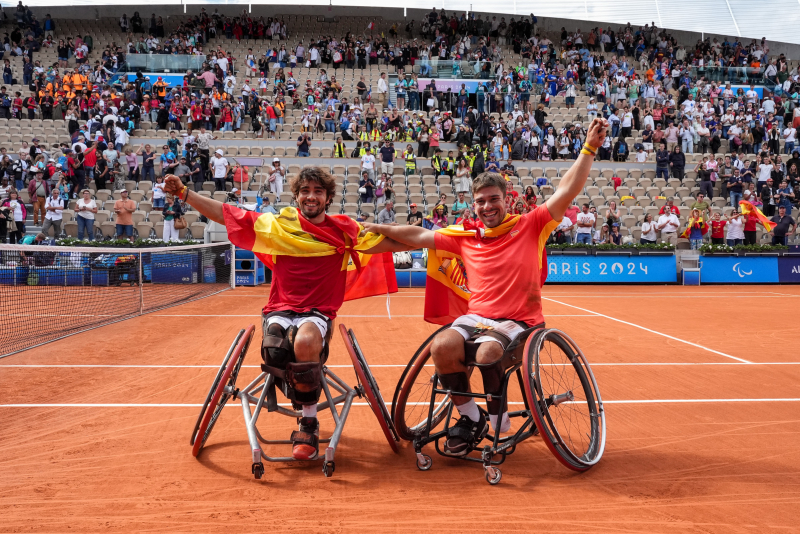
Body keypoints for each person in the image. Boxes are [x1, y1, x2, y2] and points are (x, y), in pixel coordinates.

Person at [363, 118, 610, 456]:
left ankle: (498, 420)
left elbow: (567, 189)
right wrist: (373, 228)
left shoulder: (531, 225)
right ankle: (470, 418)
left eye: (493, 199)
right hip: (477, 317)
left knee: (488, 353)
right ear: (473, 204)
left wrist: (589, 148)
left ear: (506, 200)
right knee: (441, 347)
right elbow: (417, 237)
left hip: (520, 321)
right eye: (480, 202)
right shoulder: (466, 237)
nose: (487, 207)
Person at [162, 167, 406, 461]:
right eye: (305, 191)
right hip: (281, 308)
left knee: (303, 343)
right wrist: (183, 193)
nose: (311, 197)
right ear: (297, 196)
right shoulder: (277, 227)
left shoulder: (345, 231)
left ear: (328, 198)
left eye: (318, 191)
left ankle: (308, 421)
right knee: (274, 346)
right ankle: (302, 385)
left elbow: (393, 242)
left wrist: (445, 242)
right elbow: (225, 213)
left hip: (317, 312)